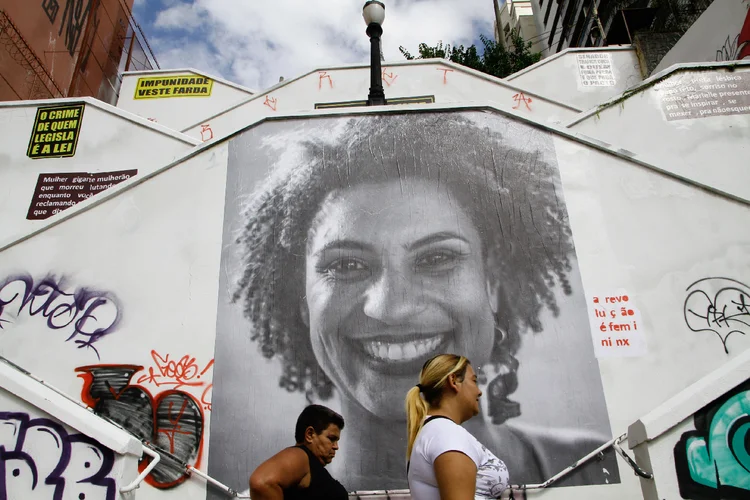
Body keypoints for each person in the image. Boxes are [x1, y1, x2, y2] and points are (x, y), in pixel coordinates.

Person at [226, 111, 618, 489]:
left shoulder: (591, 467)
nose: (391, 308)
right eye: (346, 264)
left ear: (492, 283)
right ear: (302, 301)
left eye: (436, 259)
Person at [406, 354, 508, 500]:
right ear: (453, 381)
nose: (479, 391)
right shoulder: (448, 435)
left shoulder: (435, 432)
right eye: (474, 381)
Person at [248, 404, 348, 500]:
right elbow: (261, 482)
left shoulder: (312, 465)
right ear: (310, 434)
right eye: (331, 439)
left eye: (337, 441)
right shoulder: (301, 455)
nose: (336, 447)